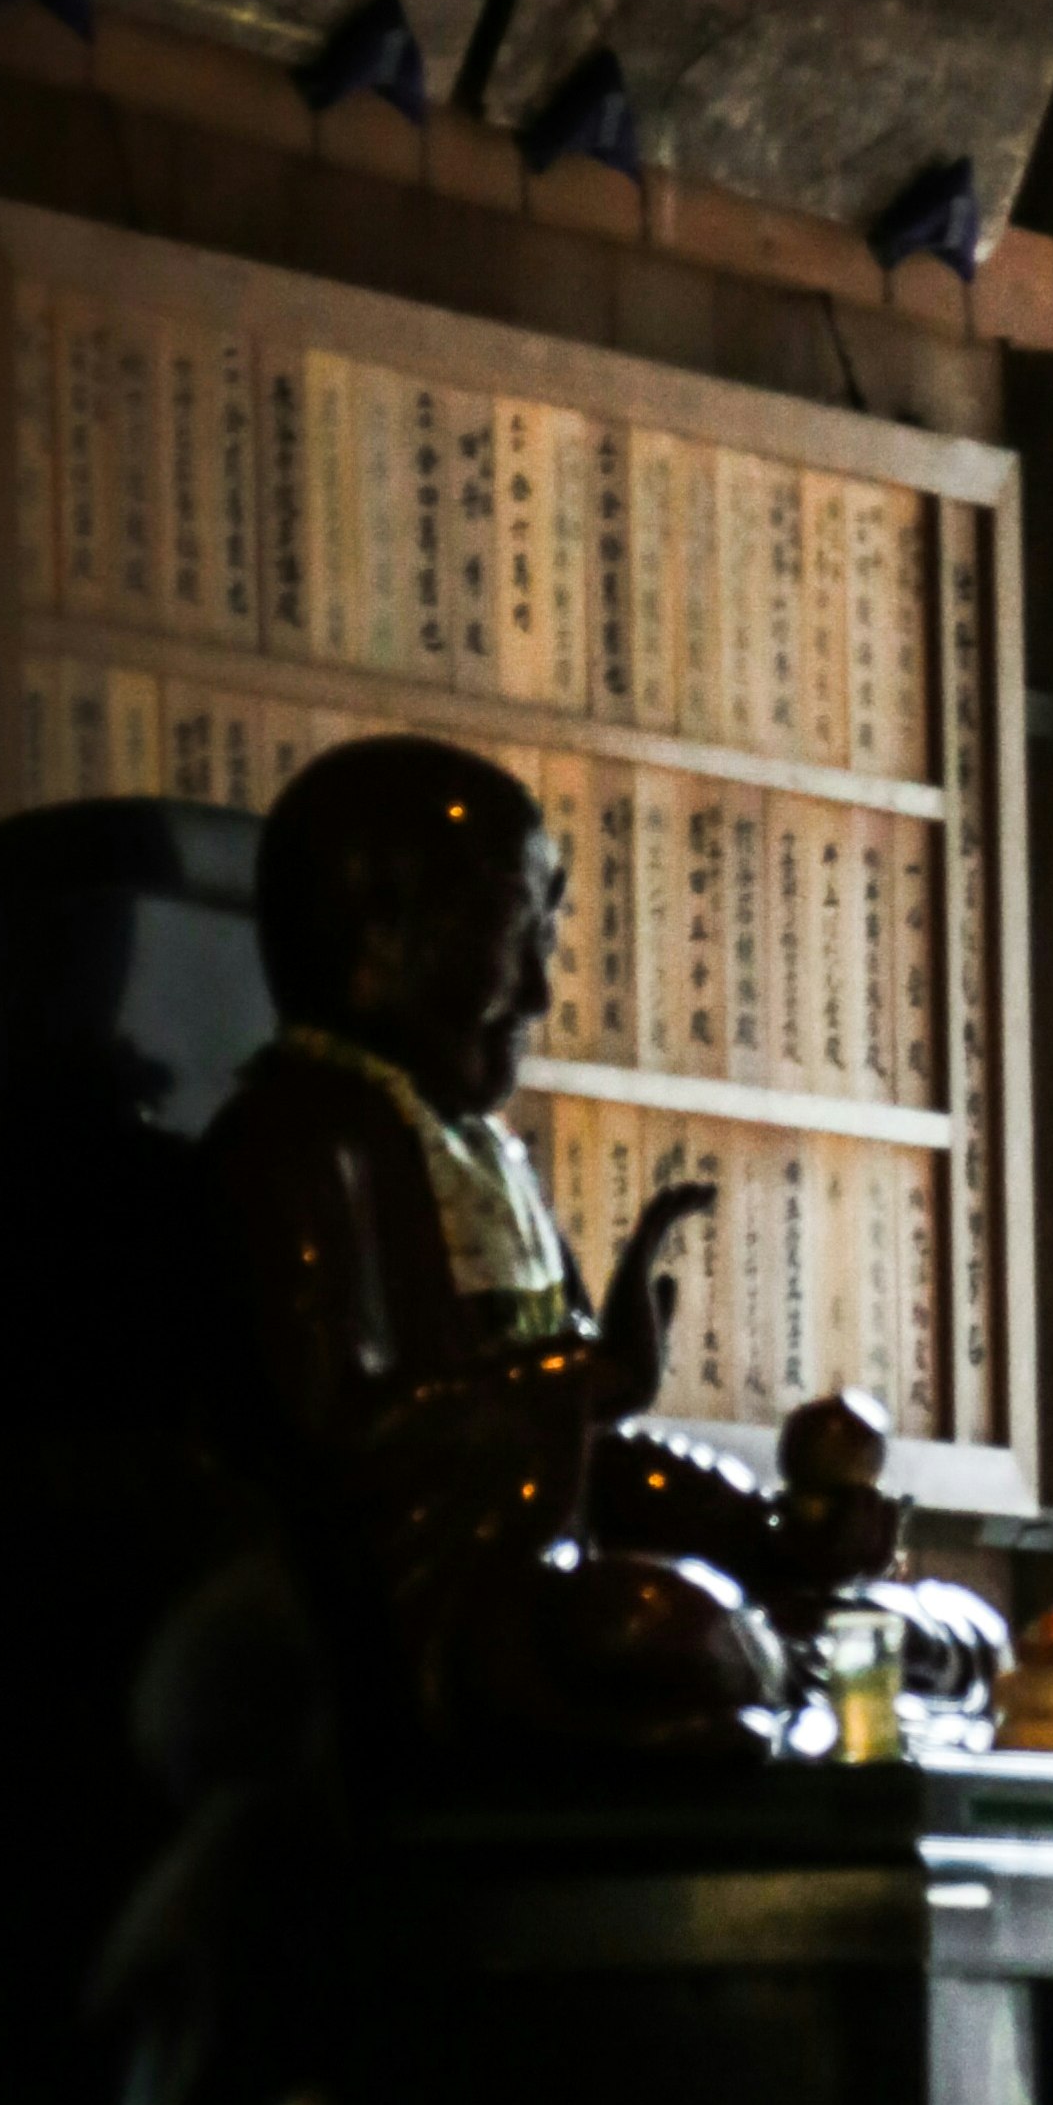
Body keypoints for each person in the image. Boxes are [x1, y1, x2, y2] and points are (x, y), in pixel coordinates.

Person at [203, 736, 850, 1756]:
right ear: (384, 932)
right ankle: (759, 1673)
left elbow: (586, 1452)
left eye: (549, 937)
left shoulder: (475, 1155)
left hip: (550, 1567)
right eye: (514, 934)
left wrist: (766, 1529)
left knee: (923, 1633)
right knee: (662, 1631)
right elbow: (342, 1440)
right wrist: (578, 1379)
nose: (541, 994)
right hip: (421, 1618)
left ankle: (774, 1654)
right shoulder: (300, 1139)